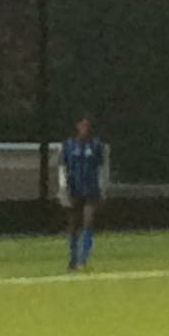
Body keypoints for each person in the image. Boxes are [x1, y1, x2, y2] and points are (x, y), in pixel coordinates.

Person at [58, 115, 109, 271]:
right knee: (73, 224)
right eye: (83, 125)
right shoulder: (68, 145)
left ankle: (83, 259)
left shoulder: (96, 145)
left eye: (88, 125)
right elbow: (62, 166)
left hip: (91, 189)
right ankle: (73, 259)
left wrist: (103, 188)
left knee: (88, 220)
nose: (85, 128)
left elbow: (102, 168)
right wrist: (63, 188)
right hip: (74, 189)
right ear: (77, 126)